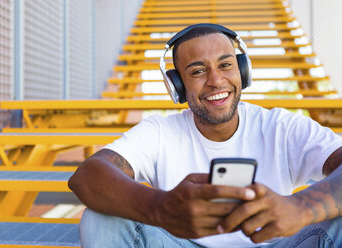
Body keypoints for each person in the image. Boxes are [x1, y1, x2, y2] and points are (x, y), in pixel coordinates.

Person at [68, 23, 342, 248]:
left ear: (242, 71)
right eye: (198, 71)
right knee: (101, 217)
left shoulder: (282, 125)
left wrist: (301, 207)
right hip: (183, 244)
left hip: (280, 244)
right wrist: (159, 207)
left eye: (225, 65)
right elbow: (88, 175)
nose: (216, 80)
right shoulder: (160, 132)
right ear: (177, 86)